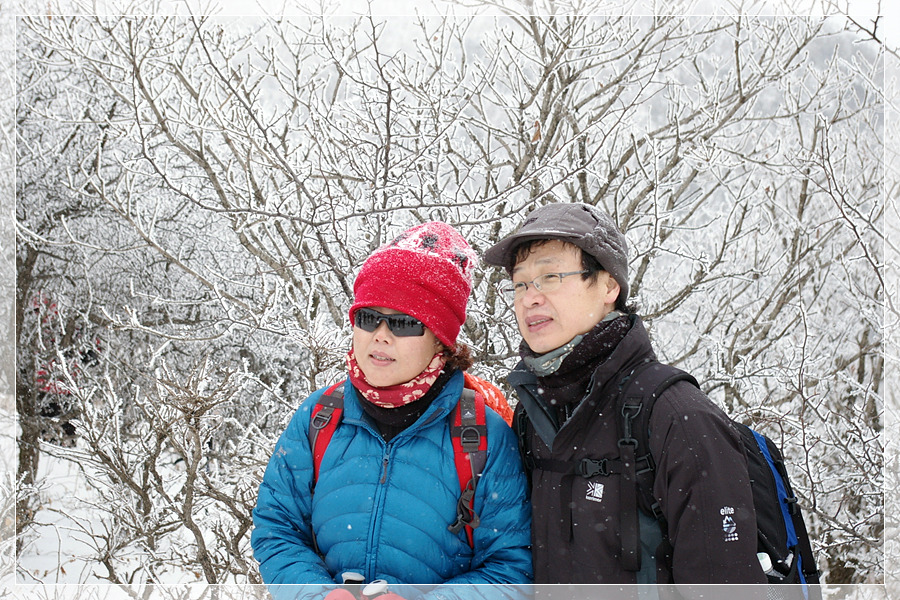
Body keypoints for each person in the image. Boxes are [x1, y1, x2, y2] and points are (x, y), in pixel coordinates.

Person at [483, 202, 767, 585]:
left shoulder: (676, 417)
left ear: (609, 286)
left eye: (550, 277)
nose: (528, 298)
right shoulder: (532, 414)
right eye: (519, 283)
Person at [252, 221, 533, 598]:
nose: (381, 335)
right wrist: (318, 593)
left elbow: (512, 567)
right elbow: (277, 529)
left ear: (441, 341)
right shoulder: (319, 417)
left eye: (403, 322)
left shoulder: (484, 435)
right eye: (368, 317)